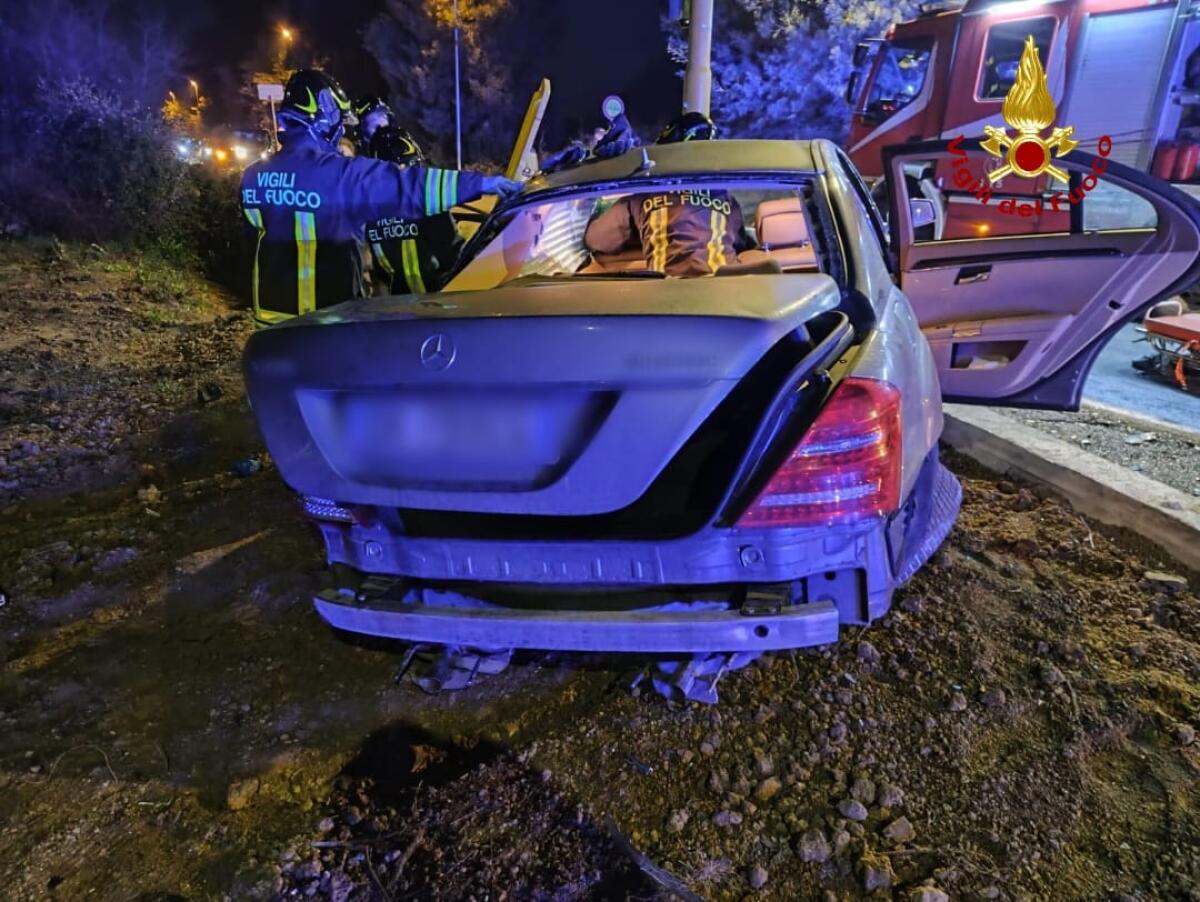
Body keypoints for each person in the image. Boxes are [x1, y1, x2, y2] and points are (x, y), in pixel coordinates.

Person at [239, 69, 520, 325]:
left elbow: (253, 239)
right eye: (339, 118)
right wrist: (482, 183)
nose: (341, 129)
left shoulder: (253, 177)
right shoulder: (339, 175)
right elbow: (410, 186)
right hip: (325, 324)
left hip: (271, 325)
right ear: (324, 111)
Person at [583, 112, 750, 277]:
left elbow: (597, 240)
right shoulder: (727, 199)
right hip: (723, 286)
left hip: (669, 287)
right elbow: (740, 243)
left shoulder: (643, 195)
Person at [364, 126, 463, 295]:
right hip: (440, 300)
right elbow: (454, 257)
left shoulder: (370, 214)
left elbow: (379, 274)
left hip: (399, 305)